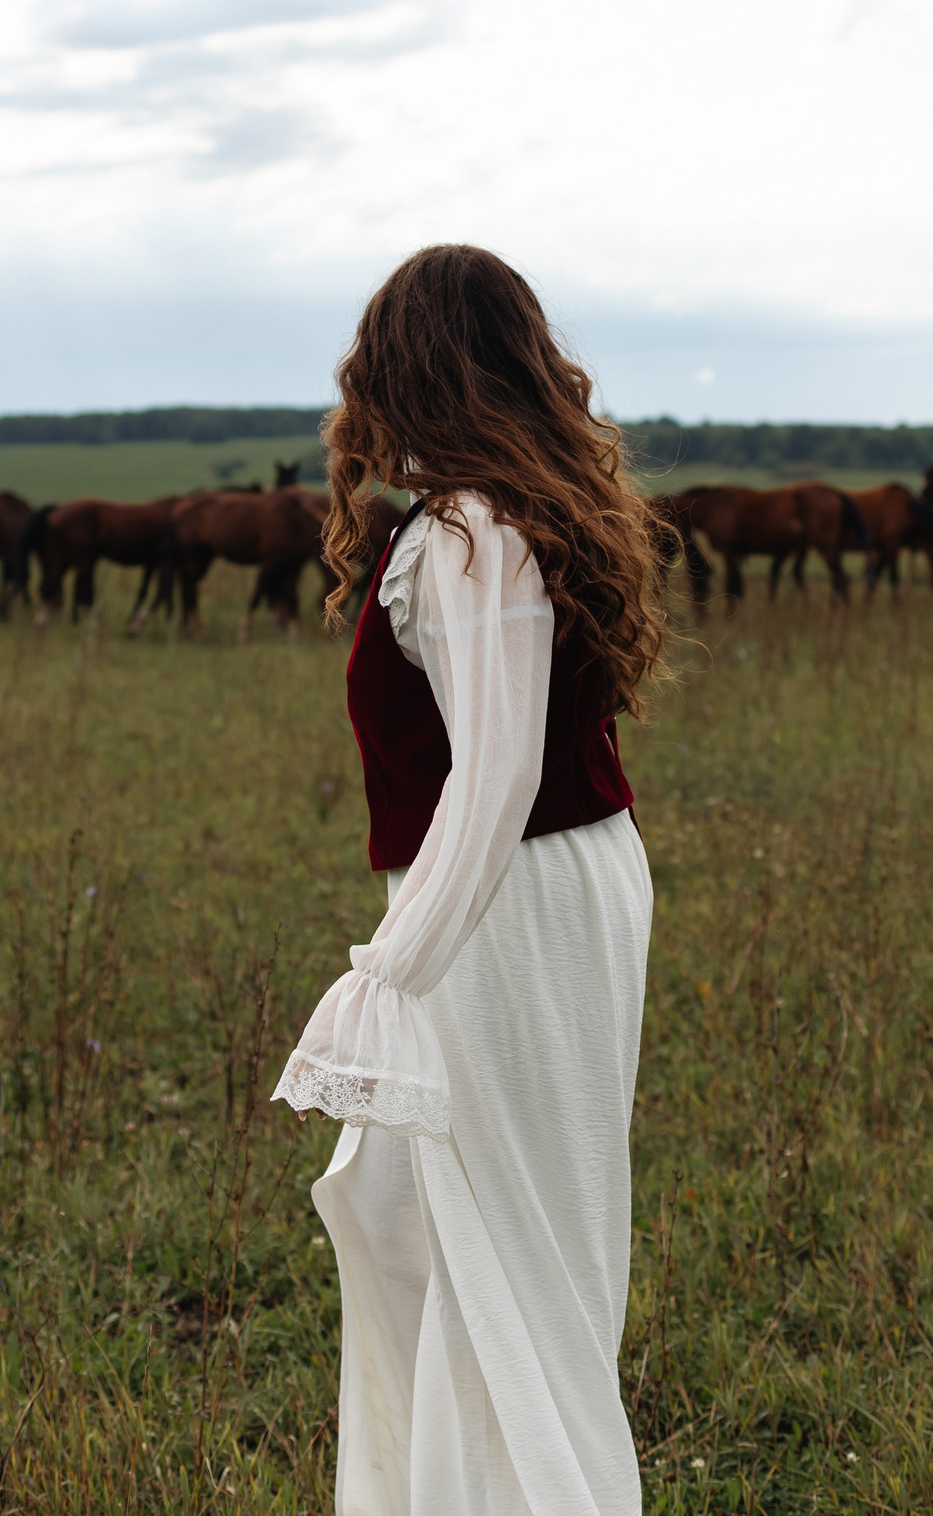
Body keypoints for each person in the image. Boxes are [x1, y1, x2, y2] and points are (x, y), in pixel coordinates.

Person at [274, 244, 672, 1515]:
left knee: (504, 1236)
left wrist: (394, 967)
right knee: (417, 1209)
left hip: (505, 908)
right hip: (551, 885)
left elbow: (493, 777)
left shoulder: (468, 531)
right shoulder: (509, 512)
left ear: (404, 369)